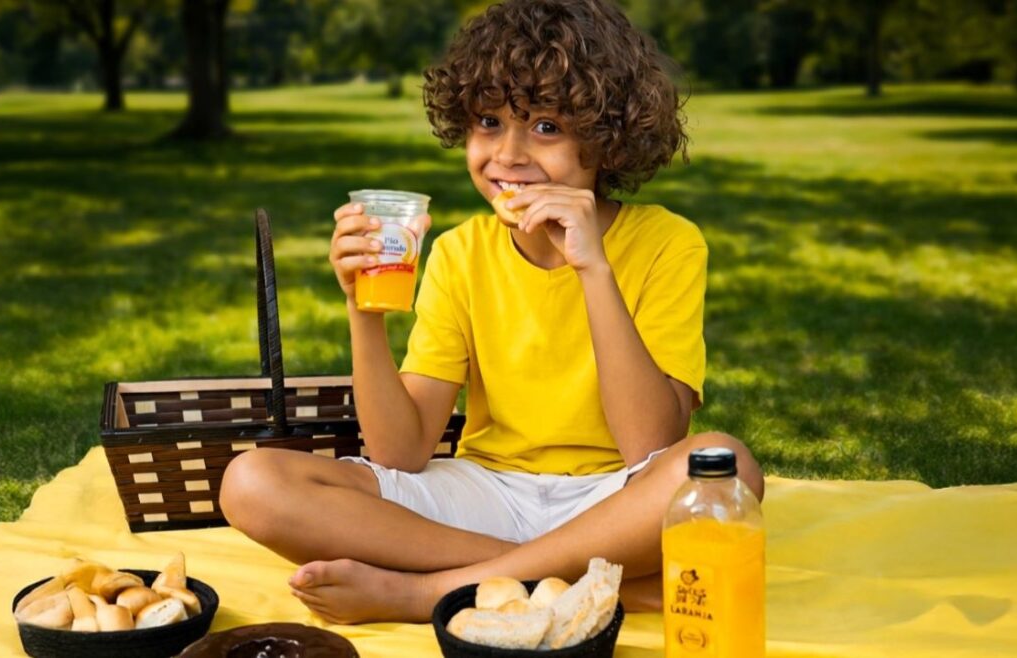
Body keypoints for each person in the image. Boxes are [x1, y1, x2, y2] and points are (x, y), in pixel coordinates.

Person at [219, 0, 764, 625]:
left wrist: (593, 269)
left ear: (608, 136)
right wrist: (361, 311)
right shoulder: (459, 253)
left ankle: (428, 592)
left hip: (615, 498)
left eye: (546, 127)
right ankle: (580, 580)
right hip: (486, 491)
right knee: (252, 483)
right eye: (487, 120)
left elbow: (649, 444)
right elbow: (399, 453)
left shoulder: (670, 243)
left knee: (726, 467)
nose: (507, 153)